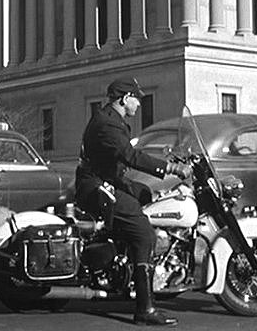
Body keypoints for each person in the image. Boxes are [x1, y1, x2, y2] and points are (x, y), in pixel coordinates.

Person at [75, 76, 191, 326]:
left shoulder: (111, 119)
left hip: (107, 180)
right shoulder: (107, 124)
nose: (139, 103)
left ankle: (126, 261)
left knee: (147, 196)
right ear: (125, 99)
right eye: (137, 98)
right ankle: (145, 309)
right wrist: (170, 168)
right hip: (96, 187)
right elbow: (129, 156)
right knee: (143, 233)